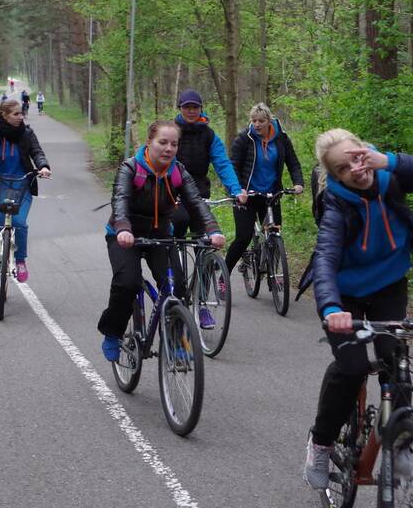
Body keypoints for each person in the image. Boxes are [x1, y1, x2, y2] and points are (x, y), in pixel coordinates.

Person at [301, 128, 413, 490]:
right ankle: (320, 443)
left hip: (389, 285)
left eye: (356, 156)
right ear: (334, 176)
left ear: (365, 149)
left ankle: (401, 443)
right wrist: (331, 307)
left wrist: (391, 160)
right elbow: (325, 258)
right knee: (352, 367)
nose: (355, 168)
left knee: (394, 359)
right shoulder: (336, 203)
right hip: (345, 296)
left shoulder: (390, 175)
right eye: (342, 168)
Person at [99, 120, 226, 361]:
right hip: (126, 234)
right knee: (127, 283)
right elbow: (121, 201)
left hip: (160, 234)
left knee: (176, 286)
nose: (168, 148)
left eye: (174, 144)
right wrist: (124, 229)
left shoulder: (178, 171)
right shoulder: (131, 168)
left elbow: (196, 204)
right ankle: (113, 332)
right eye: (163, 142)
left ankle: (176, 339)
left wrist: (212, 230)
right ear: (149, 143)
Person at [0, 98, 52, 283]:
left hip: (22, 184)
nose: (20, 117)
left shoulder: (27, 133)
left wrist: (43, 166)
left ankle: (21, 260)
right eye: (16, 114)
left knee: (20, 222)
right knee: (0, 212)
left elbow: (37, 152)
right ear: (4, 115)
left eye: (21, 113)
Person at [225, 103, 304, 274]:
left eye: (261, 121)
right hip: (247, 196)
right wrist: (238, 190)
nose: (257, 124)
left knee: (275, 234)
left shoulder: (281, 138)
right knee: (243, 237)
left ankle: (274, 274)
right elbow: (233, 167)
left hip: (271, 194)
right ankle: (225, 275)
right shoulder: (244, 139)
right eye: (254, 121)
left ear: (269, 120)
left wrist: (298, 183)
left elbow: (293, 162)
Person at [172, 89, 246, 239]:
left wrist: (236, 189)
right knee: (179, 223)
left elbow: (222, 164)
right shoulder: (171, 131)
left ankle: (204, 261)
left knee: (204, 239)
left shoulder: (209, 135)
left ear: (201, 109)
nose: (191, 111)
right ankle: (172, 255)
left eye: (195, 107)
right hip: (173, 190)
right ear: (180, 108)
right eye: (187, 107)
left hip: (199, 191)